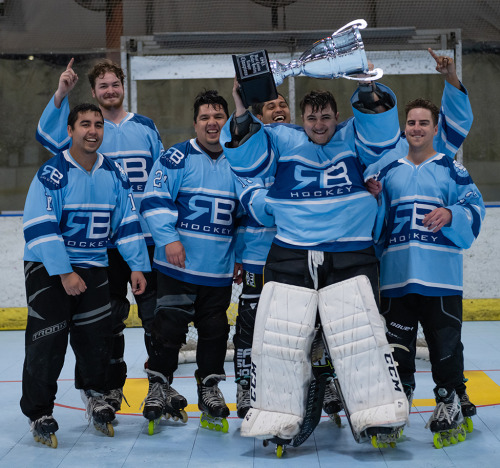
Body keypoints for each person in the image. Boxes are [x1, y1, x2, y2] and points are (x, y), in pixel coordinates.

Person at [221, 49, 473, 443]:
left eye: (325, 116)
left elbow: (377, 132)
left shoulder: (353, 137)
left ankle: (377, 414)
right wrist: (240, 108)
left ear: (337, 117)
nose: (318, 124)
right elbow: (247, 163)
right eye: (311, 117)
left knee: (359, 337)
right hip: (292, 251)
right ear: (300, 119)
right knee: (280, 338)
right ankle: (276, 415)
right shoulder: (281, 139)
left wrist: (367, 85)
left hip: (351, 252)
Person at [35, 58, 164, 412]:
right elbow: (47, 137)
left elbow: (162, 181)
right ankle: (107, 388)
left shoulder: (147, 128)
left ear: (124, 87)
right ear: (93, 92)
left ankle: (160, 385)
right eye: (103, 86)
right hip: (99, 245)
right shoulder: (86, 128)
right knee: (108, 320)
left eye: (115, 84)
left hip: (143, 240)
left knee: (155, 316)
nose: (110, 90)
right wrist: (61, 93)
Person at [22, 103, 149, 447]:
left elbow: (126, 224)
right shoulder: (53, 173)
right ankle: (39, 412)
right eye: (84, 124)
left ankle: (95, 395)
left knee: (96, 340)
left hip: (94, 266)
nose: (92, 131)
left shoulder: (115, 174)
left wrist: (137, 264)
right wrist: (64, 273)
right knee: (46, 343)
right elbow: (39, 227)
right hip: (48, 269)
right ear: (70, 131)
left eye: (97, 125)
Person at [366, 97, 485, 443]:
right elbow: (379, 229)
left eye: (424, 123)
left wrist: (451, 214)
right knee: (397, 348)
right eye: (411, 123)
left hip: (440, 279)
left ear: (435, 129)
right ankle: (397, 403)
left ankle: (449, 400)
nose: (417, 128)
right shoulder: (388, 172)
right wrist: (375, 201)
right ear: (404, 128)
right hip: (397, 279)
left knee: (445, 347)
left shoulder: (451, 168)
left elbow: (474, 207)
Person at [139, 90, 243, 430]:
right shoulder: (175, 157)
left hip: (218, 269)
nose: (212, 123)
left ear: (227, 121)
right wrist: (169, 238)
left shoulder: (240, 159)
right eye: (204, 117)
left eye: (218, 117)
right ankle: (158, 385)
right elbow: (154, 199)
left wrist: (241, 255)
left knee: (214, 330)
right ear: (195, 123)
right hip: (177, 267)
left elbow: (244, 214)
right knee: (168, 326)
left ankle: (209, 387)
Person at [233, 93, 290, 418]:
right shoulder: (249, 152)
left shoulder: (300, 147)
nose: (279, 109)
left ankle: (305, 388)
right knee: (250, 326)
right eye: (271, 106)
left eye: (283, 105)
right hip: (256, 255)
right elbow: (238, 210)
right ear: (259, 116)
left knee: (299, 324)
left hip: (295, 253)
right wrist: (238, 255)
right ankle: (245, 386)